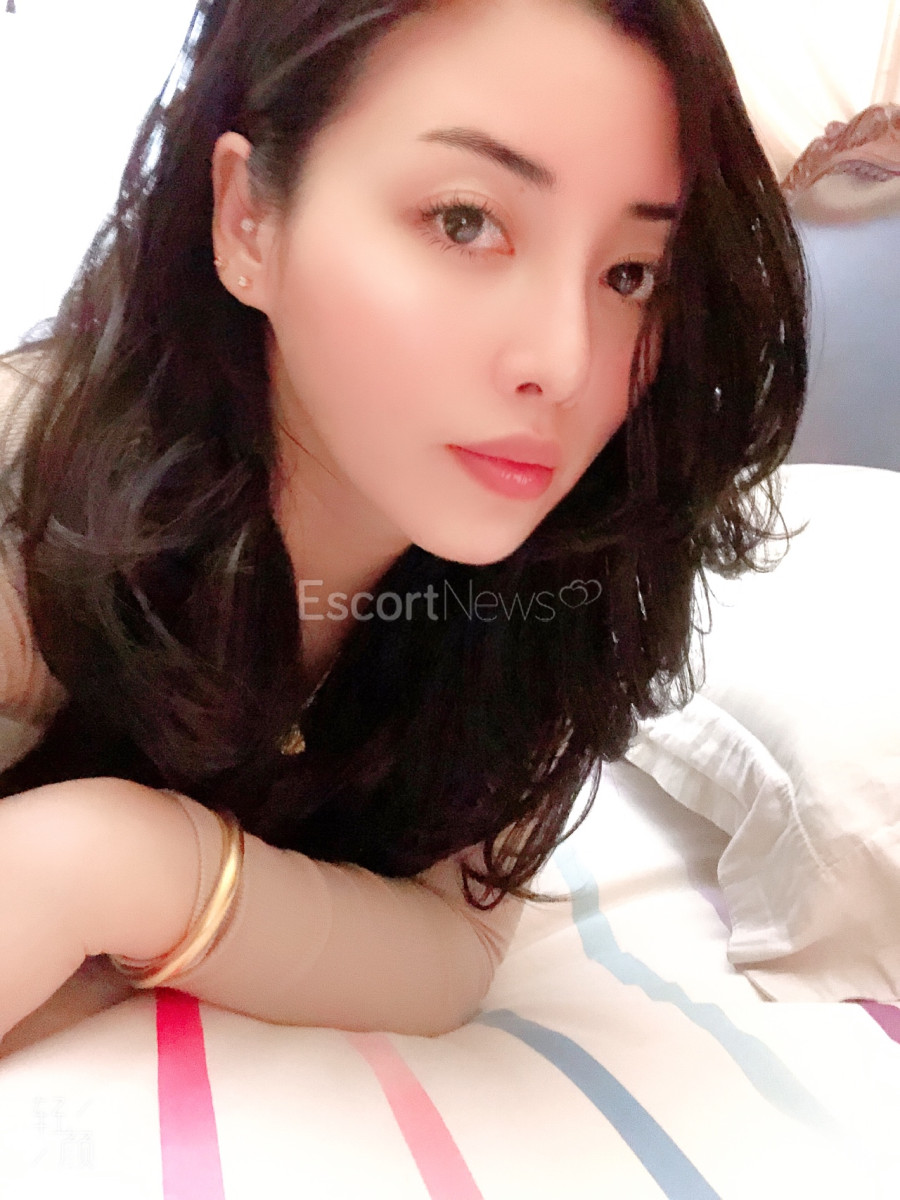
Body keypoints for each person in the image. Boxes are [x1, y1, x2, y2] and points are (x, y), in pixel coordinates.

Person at [0, 0, 806, 1044]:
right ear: (248, 220)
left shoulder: (556, 579)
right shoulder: (33, 517)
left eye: (629, 274)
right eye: (465, 222)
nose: (564, 361)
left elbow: (450, 947)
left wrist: (116, 864)